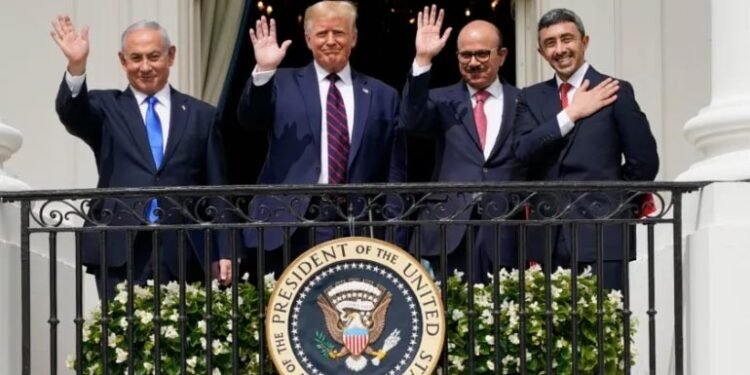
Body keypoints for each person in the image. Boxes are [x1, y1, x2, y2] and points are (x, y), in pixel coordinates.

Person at [51, 16, 231, 299]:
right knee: (122, 338)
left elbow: (217, 188)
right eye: (135, 58)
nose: (145, 67)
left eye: (153, 56)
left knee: (184, 340)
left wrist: (225, 249)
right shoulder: (105, 107)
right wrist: (76, 65)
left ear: (171, 56)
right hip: (121, 246)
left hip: (185, 249)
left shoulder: (202, 116)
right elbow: (72, 112)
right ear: (123, 61)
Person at [236, 1, 406, 276]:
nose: (330, 41)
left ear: (354, 37)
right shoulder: (280, 82)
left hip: (355, 225)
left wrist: (395, 236)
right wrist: (264, 70)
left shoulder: (383, 95)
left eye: (338, 33)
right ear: (307, 39)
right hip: (288, 225)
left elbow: (394, 172)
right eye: (322, 33)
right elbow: (250, 120)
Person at [513, 8, 659, 290]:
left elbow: (644, 162)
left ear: (584, 41)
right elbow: (522, 151)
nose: (560, 49)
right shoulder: (530, 98)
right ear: (541, 52)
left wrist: (614, 204)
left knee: (606, 331)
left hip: (603, 234)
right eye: (550, 43)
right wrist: (571, 114)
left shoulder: (615, 90)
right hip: (548, 239)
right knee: (550, 331)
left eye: (566, 39)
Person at [400, 5, 525, 283]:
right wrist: (423, 59)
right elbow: (410, 120)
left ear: (502, 56)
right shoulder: (442, 100)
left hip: (505, 230)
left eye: (482, 53)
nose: (474, 62)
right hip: (447, 229)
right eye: (466, 55)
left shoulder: (524, 102)